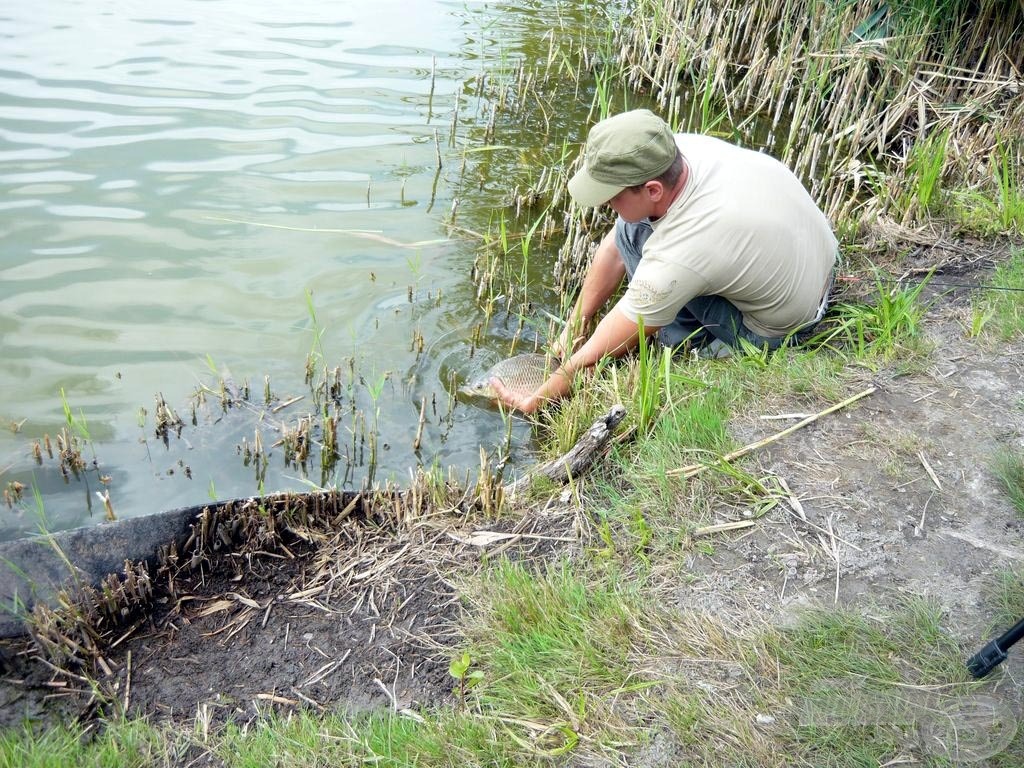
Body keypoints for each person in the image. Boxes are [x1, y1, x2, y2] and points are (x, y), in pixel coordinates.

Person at [490, 109, 838, 414]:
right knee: (631, 229)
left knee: (650, 297)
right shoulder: (676, 151)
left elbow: (614, 336)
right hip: (813, 267)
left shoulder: (689, 245)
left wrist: (548, 388)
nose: (606, 205)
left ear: (653, 189)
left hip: (782, 329)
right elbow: (615, 246)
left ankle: (692, 347)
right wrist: (574, 327)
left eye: (612, 197)